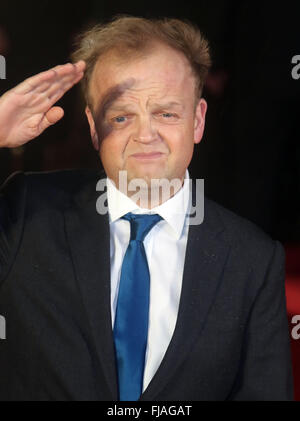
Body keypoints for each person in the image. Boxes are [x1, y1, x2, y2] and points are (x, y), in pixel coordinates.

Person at [0, 16, 293, 401]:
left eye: (166, 113)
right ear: (92, 127)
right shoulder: (25, 212)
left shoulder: (253, 260)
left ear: (198, 120)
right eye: (121, 116)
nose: (145, 134)